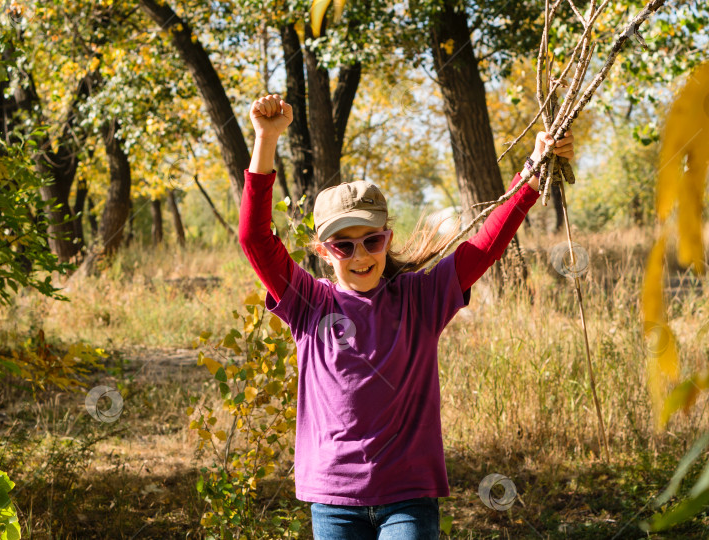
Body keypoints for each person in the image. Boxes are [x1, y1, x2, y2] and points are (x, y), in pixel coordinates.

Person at [239, 93, 574, 540]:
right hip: (334, 500)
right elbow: (255, 239)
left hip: (409, 499)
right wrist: (266, 139)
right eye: (344, 246)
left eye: (372, 240)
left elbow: (484, 246)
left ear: (387, 237)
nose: (360, 255)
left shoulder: (420, 298)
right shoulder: (308, 302)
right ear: (323, 251)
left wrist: (534, 172)